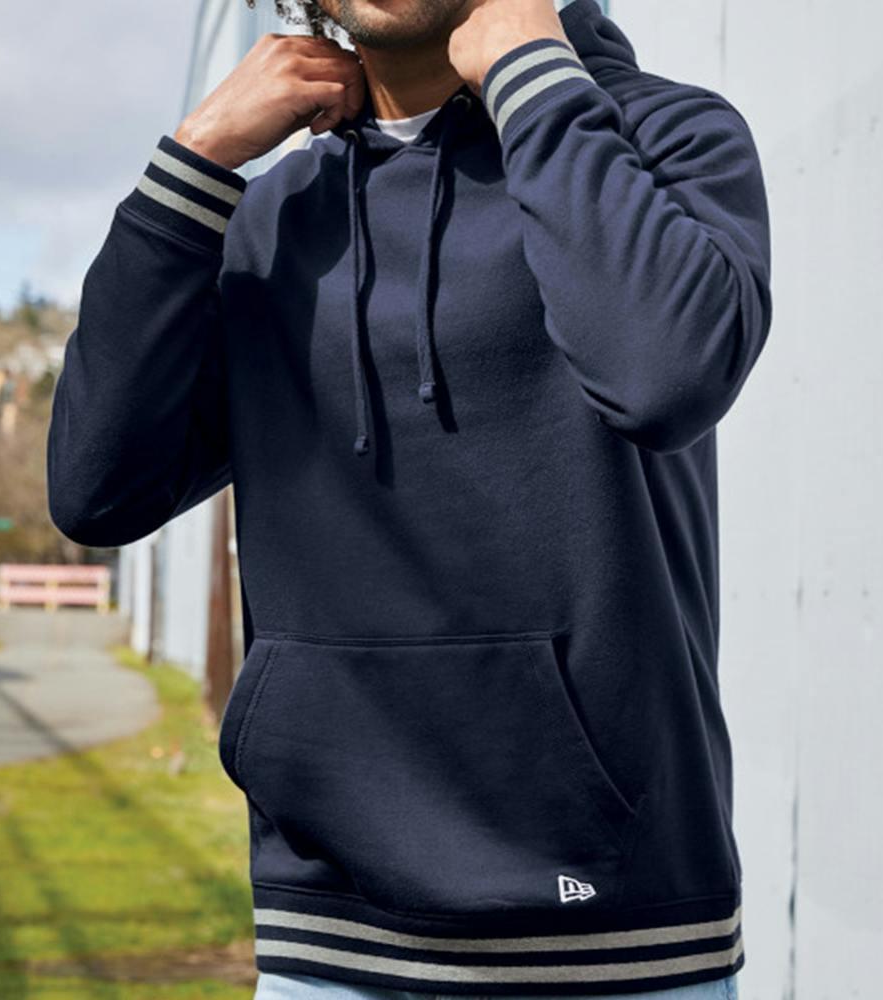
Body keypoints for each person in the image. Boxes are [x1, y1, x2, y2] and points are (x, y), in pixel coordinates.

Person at [46, 0, 771, 996]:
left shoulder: (660, 136)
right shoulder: (275, 215)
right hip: (329, 939)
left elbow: (667, 374)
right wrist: (195, 160)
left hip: (621, 935)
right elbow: (97, 489)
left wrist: (532, 76)